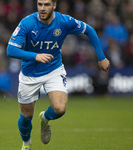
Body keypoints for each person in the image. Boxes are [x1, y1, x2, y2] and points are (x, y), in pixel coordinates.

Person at [6, 0, 110, 149]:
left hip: (53, 70)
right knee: (25, 118)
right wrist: (35, 56)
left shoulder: (64, 21)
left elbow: (90, 30)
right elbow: (10, 50)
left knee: (60, 109)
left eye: (46, 4)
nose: (42, 8)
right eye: (40, 4)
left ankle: (45, 118)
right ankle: (26, 144)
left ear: (54, 5)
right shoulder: (27, 23)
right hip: (30, 73)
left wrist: (101, 57)